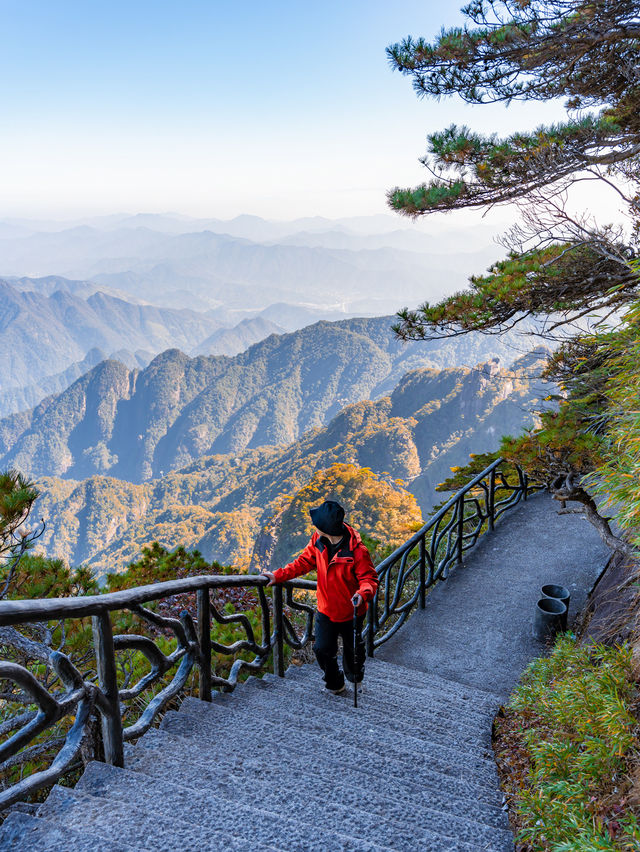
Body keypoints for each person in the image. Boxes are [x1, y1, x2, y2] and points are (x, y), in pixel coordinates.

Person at [261, 500, 379, 694]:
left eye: (317, 523)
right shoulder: (318, 540)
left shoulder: (357, 551)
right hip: (326, 609)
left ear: (327, 528)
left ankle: (355, 680)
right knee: (322, 649)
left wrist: (363, 593)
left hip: (352, 611)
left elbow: (369, 579)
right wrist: (277, 576)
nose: (314, 526)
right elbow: (303, 562)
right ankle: (335, 684)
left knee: (354, 651)